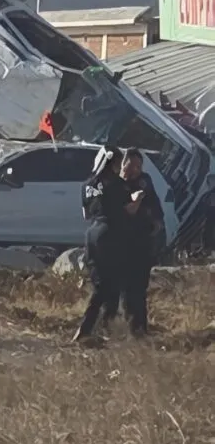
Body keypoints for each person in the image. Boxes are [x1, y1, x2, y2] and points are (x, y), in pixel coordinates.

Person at [74, 145, 143, 342]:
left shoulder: (87, 185)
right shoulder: (117, 184)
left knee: (103, 283)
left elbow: (86, 215)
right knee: (108, 285)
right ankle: (87, 329)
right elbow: (128, 210)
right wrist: (137, 200)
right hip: (111, 234)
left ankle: (104, 328)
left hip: (92, 235)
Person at [120, 148, 163, 335]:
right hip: (123, 242)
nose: (136, 170)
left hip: (142, 241)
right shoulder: (115, 185)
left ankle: (141, 327)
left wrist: (156, 222)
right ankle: (128, 325)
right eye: (132, 165)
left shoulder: (144, 181)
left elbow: (155, 205)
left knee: (139, 287)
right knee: (126, 287)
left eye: (139, 166)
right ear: (123, 164)